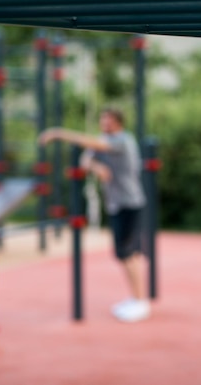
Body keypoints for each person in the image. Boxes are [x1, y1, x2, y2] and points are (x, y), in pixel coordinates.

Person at [39, 108, 149, 323]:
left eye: (108, 121)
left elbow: (88, 144)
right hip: (118, 204)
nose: (104, 125)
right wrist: (95, 165)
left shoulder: (122, 141)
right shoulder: (106, 141)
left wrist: (58, 133)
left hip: (129, 203)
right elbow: (85, 158)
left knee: (127, 254)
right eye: (103, 121)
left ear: (118, 123)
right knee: (126, 253)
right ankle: (136, 297)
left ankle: (139, 300)